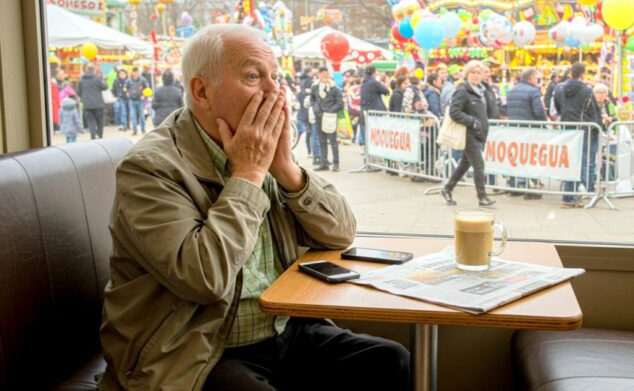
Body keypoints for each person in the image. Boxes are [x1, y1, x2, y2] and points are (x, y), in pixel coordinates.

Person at [98, 24, 410, 391]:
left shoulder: (263, 152)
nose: (274, 90)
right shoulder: (151, 167)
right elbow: (202, 278)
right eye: (253, 76)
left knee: (390, 359)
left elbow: (340, 232)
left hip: (282, 329)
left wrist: (287, 171)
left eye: (275, 77)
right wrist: (248, 174)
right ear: (202, 91)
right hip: (197, 348)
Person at [440, 61, 500, 207]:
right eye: (473, 72)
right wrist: (472, 122)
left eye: (478, 73)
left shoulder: (482, 91)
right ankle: (482, 197)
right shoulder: (462, 91)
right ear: (467, 74)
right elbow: (454, 112)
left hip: (480, 133)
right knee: (479, 165)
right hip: (468, 133)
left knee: (464, 164)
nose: (476, 75)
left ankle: (447, 188)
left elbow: (488, 111)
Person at [554, 62, 603, 208]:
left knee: (570, 161)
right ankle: (574, 194)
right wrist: (598, 126)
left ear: (570, 73)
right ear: (583, 74)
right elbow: (593, 111)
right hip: (582, 129)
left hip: (567, 128)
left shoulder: (560, 88)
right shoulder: (587, 91)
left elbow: (558, 107)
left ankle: (569, 195)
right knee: (580, 162)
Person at [505, 67, 546, 200]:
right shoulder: (534, 91)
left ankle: (515, 184)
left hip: (514, 128)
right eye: (537, 78)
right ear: (531, 78)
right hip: (529, 128)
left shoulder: (512, 90)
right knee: (529, 156)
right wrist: (543, 124)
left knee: (516, 155)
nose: (538, 81)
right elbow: (539, 111)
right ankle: (530, 186)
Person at [311, 67, 343, 172]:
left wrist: (329, 111)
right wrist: (317, 109)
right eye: (323, 75)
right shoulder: (315, 87)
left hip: (330, 118)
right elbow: (313, 100)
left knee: (333, 141)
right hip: (319, 117)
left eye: (327, 75)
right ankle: (324, 162)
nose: (326, 77)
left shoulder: (335, 89)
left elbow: (340, 104)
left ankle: (336, 163)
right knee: (322, 141)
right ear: (319, 75)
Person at [359, 65, 390, 146]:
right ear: (374, 72)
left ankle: (368, 153)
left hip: (366, 111)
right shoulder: (374, 82)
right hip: (375, 112)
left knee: (368, 134)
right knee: (376, 134)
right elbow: (386, 91)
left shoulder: (364, 83)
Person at [76, 63, 107, 139]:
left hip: (87, 105)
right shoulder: (97, 79)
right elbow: (105, 87)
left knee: (91, 122)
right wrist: (103, 79)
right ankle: (100, 136)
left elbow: (78, 92)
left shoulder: (81, 80)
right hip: (98, 104)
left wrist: (84, 98)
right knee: (100, 121)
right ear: (93, 70)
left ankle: (93, 136)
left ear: (86, 69)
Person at [125, 67, 150, 135]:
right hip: (132, 100)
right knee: (133, 116)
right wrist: (127, 93)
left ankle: (143, 130)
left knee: (141, 115)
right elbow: (125, 88)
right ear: (132, 73)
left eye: (137, 73)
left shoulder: (143, 80)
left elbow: (147, 89)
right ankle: (135, 131)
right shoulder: (128, 80)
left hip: (140, 101)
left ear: (138, 73)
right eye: (134, 73)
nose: (135, 74)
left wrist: (144, 96)